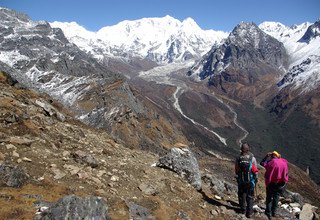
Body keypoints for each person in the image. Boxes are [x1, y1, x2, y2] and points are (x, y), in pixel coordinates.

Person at [260, 151, 288, 218]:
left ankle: (268, 212)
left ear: (271, 156)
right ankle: (274, 213)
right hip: (280, 184)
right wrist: (279, 158)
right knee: (276, 197)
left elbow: (262, 163)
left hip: (271, 183)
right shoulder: (284, 162)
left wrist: (266, 156)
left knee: (269, 197)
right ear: (278, 156)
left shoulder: (271, 162)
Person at [235, 143, 258, 218]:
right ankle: (249, 213)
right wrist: (255, 179)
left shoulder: (238, 158)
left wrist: (238, 177)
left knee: (242, 195)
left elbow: (236, 170)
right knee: (250, 196)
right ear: (248, 149)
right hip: (250, 181)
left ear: (241, 149)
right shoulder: (252, 158)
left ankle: (243, 210)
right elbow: (255, 170)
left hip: (241, 181)